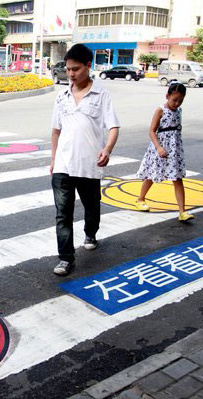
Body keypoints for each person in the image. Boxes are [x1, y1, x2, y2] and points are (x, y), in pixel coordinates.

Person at [50, 44, 120, 276]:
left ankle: (91, 232)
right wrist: (53, 160)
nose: (71, 74)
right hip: (63, 165)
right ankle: (66, 257)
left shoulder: (101, 95)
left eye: (76, 69)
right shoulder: (61, 97)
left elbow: (113, 126)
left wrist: (107, 149)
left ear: (89, 66)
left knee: (92, 207)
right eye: (68, 69)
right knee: (63, 213)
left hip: (90, 164)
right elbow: (56, 130)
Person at [135, 82, 193, 222]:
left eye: (180, 101)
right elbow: (151, 131)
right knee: (151, 175)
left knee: (177, 178)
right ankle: (140, 199)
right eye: (174, 100)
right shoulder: (160, 110)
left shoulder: (179, 111)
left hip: (174, 150)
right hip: (159, 146)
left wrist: (176, 148)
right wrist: (159, 147)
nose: (177, 103)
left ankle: (182, 212)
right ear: (167, 96)